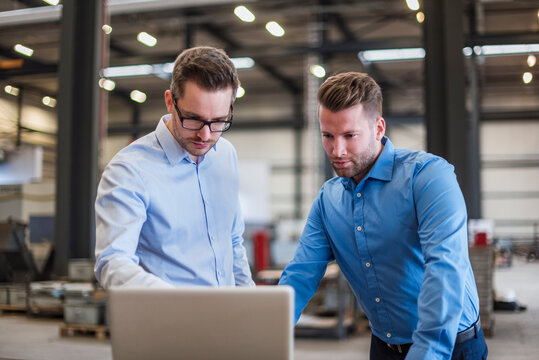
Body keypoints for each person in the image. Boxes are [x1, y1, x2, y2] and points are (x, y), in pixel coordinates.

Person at [278, 72, 487, 359]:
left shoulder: (428, 177)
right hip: (385, 348)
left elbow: (445, 270)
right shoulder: (329, 200)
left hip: (451, 347)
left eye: (350, 135)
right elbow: (300, 274)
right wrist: (264, 336)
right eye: (328, 136)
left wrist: (426, 354)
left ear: (378, 128)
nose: (337, 150)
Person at [94, 46, 254, 289]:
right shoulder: (129, 170)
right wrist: (179, 304)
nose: (205, 135)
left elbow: (231, 241)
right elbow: (113, 262)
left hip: (228, 319)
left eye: (219, 121)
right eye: (193, 119)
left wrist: (250, 304)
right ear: (170, 102)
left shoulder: (225, 155)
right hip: (168, 321)